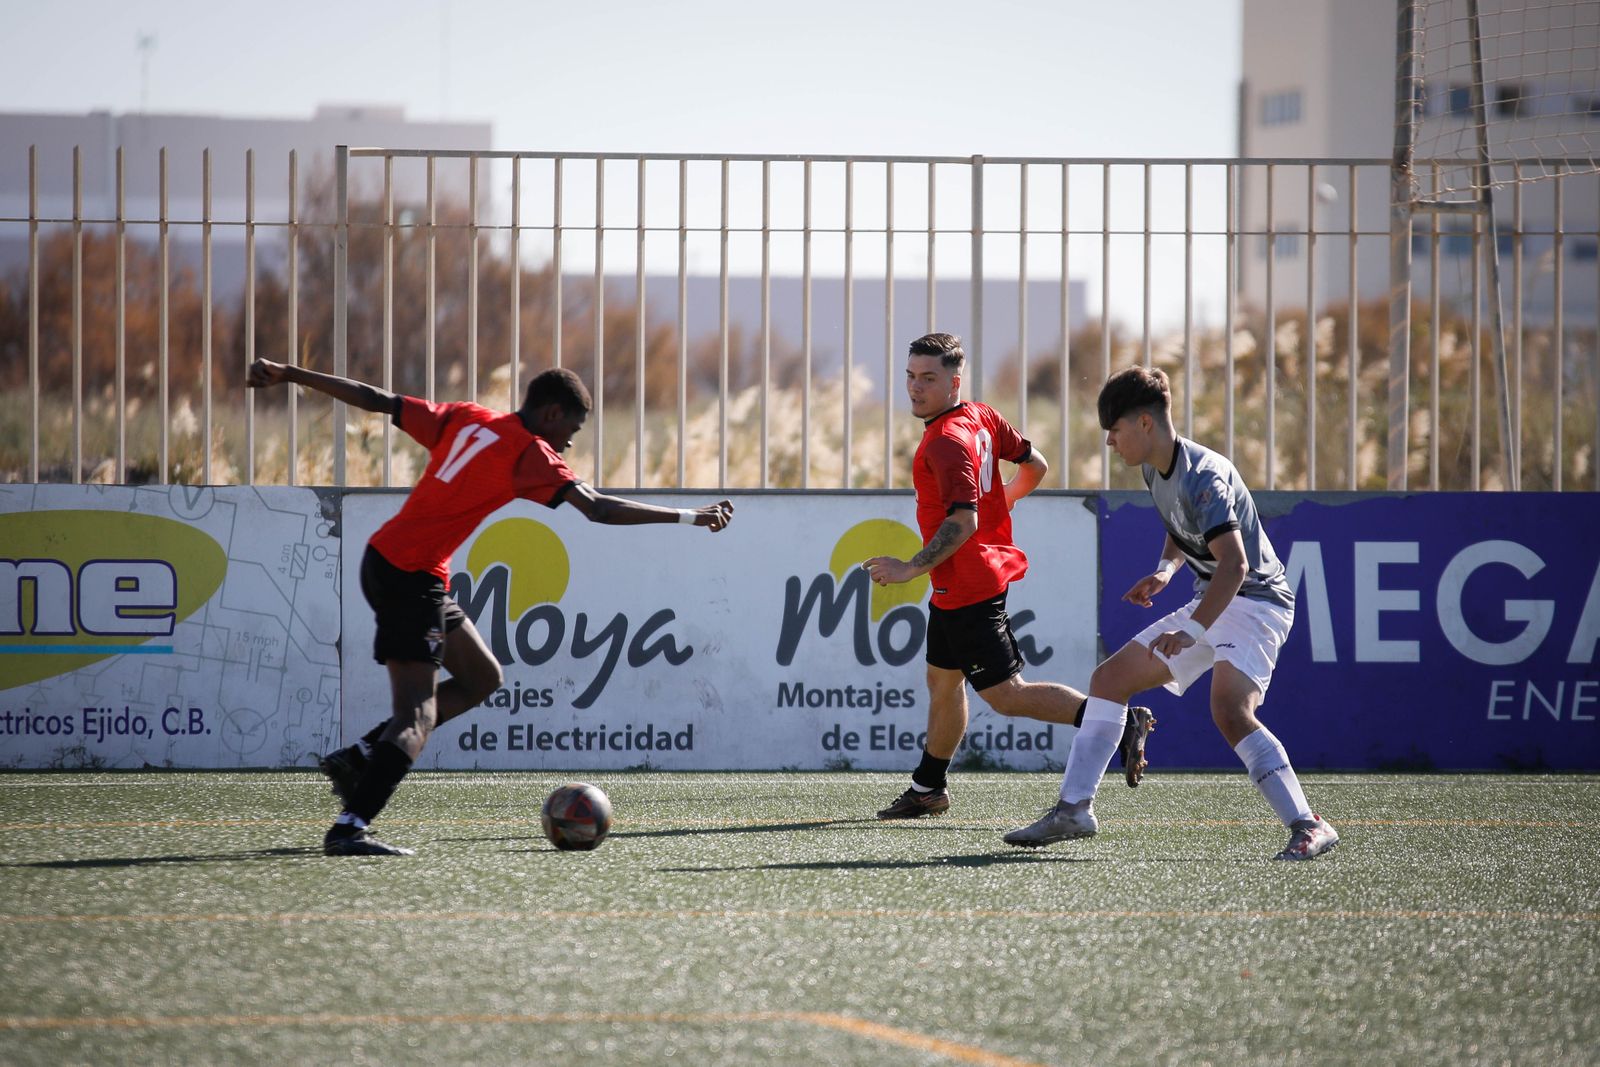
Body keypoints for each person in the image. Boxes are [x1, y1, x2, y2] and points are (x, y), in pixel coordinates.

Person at [247, 358, 733, 856]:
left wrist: (290, 373)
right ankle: (349, 827)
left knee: (482, 677)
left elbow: (377, 399)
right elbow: (599, 509)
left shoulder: (467, 416)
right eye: (572, 427)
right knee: (416, 715)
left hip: (391, 561)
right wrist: (691, 517)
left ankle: (363, 754)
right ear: (550, 413)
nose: (570, 441)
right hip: (411, 575)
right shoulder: (533, 453)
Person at [1003, 365, 1338, 861]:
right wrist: (1165, 570)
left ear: (1144, 423)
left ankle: (1309, 825)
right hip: (1216, 596)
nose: (1111, 443)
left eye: (1114, 431)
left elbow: (1235, 563)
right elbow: (1182, 525)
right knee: (1109, 680)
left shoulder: (1205, 477)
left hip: (1256, 600)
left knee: (1229, 710)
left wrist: (1193, 629)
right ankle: (1073, 809)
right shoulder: (1154, 466)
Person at [862, 333, 1155, 820]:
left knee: (1006, 695)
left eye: (928, 379)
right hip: (960, 582)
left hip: (968, 585)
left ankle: (1117, 722)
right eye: (911, 377)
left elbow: (963, 521)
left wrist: (909, 567)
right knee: (942, 681)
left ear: (954, 382)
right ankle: (928, 787)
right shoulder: (980, 415)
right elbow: (1035, 465)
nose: (915, 388)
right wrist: (1004, 500)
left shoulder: (947, 442)